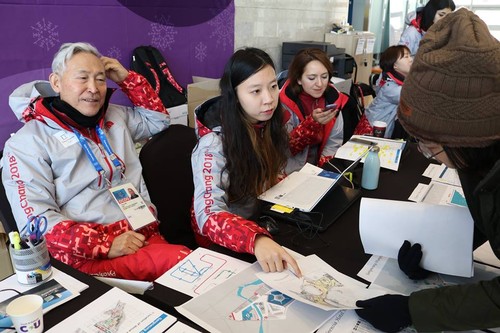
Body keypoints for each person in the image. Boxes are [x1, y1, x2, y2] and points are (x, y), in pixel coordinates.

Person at [356, 9, 500, 332]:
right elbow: (489, 210)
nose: (429, 154)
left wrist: (413, 310)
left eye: (430, 145)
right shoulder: (476, 151)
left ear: (463, 136)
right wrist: (439, 251)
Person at [1, 42, 191, 281]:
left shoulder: (114, 116)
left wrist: (127, 78)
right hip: (88, 256)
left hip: (141, 231)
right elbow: (36, 223)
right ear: (56, 82)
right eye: (83, 78)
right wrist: (105, 244)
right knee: (185, 264)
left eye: (100, 79)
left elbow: (158, 120)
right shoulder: (26, 143)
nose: (94, 88)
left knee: (187, 278)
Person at [191, 47, 301, 276]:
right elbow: (208, 215)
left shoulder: (271, 124)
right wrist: (255, 239)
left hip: (261, 219)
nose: (269, 99)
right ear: (235, 95)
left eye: (273, 86)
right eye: (255, 91)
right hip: (224, 240)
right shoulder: (213, 144)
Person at [280, 48, 359, 174]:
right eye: (311, 78)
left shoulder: (333, 99)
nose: (320, 84)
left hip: (317, 169)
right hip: (289, 171)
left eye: (324, 76)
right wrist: (312, 124)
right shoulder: (282, 104)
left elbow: (333, 142)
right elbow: (285, 149)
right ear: (299, 79)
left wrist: (323, 171)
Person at [354, 45, 413, 139]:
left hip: (383, 125)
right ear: (395, 65)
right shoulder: (390, 87)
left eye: (410, 56)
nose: (411, 59)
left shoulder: (393, 79)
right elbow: (412, 97)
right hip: (374, 130)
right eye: (406, 57)